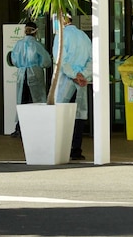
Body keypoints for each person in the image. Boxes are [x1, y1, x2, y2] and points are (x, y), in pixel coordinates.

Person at [53, 14, 93, 160]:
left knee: (63, 115)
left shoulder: (61, 36)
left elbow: (59, 60)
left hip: (66, 81)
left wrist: (73, 74)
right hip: (81, 82)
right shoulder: (84, 36)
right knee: (79, 115)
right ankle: (76, 149)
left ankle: (62, 149)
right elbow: (91, 59)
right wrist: (83, 75)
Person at [9, 21, 52, 137]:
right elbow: (46, 61)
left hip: (22, 74)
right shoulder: (37, 45)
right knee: (36, 101)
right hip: (35, 74)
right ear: (36, 32)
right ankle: (37, 127)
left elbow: (14, 60)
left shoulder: (18, 44)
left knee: (22, 100)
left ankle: (19, 128)